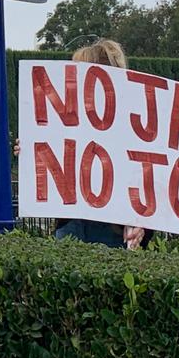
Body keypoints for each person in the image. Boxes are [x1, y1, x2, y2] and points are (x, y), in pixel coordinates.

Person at [17, 39, 147, 249]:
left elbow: (150, 179)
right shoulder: (64, 120)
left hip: (113, 230)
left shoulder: (134, 122)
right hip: (74, 222)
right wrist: (29, 151)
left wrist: (142, 223)